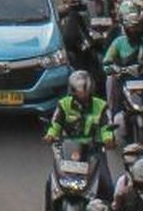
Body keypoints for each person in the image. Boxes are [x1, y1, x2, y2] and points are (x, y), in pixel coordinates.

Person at [103, 6, 143, 149]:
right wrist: (112, 69)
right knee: (110, 84)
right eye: (132, 28)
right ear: (126, 28)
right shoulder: (118, 43)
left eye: (138, 27)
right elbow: (107, 60)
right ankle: (111, 120)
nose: (135, 30)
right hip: (124, 79)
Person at [45, 70, 116, 200]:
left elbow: (106, 125)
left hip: (94, 149)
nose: (82, 95)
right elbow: (56, 123)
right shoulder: (63, 104)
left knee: (107, 185)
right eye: (79, 92)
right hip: (68, 148)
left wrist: (108, 138)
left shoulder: (101, 105)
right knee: (51, 182)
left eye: (85, 93)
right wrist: (51, 134)